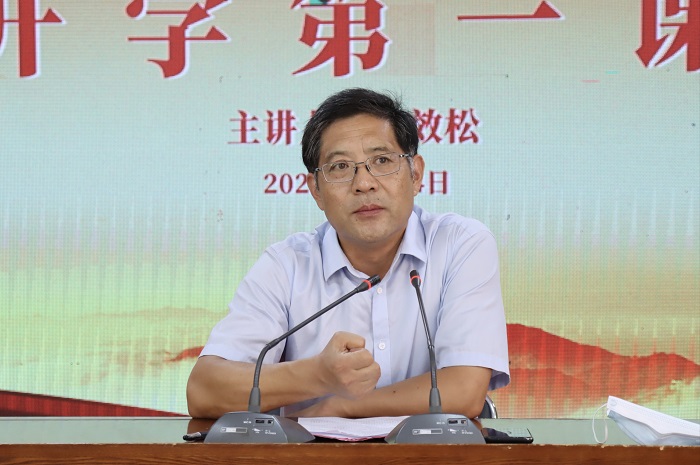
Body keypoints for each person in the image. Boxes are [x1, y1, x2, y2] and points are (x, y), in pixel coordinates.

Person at [186, 88, 510, 419]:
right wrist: (317, 376)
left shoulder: (460, 244)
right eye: (340, 166)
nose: (364, 183)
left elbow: (465, 389)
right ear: (316, 190)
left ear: (415, 174)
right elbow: (204, 391)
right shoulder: (286, 265)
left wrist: (343, 405)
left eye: (382, 161)